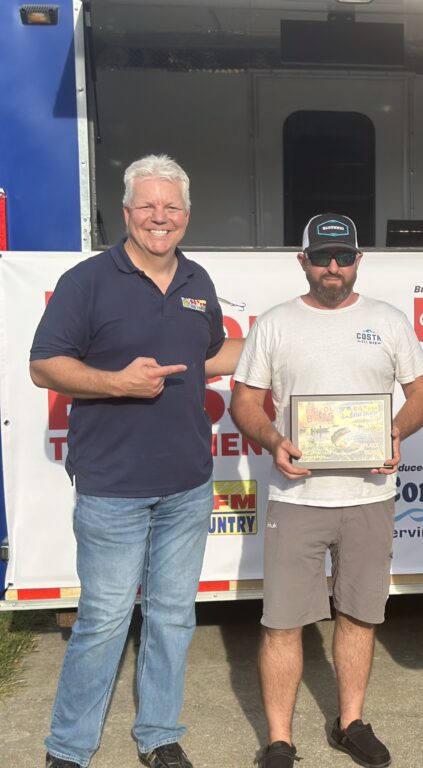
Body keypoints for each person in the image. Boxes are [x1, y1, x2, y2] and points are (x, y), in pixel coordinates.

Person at [30, 155, 243, 768]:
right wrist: (115, 383)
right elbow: (44, 365)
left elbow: (208, 355)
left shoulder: (198, 280)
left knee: (173, 617)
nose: (159, 217)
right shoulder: (87, 281)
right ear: (126, 212)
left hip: (187, 483)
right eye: (147, 205)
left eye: (171, 206)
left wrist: (281, 341)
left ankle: (158, 735)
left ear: (187, 215)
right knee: (103, 620)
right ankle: (69, 748)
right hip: (112, 486)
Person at [229, 213, 423, 768]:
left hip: (370, 496)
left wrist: (396, 430)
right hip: (297, 499)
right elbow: (244, 401)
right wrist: (273, 439)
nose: (334, 268)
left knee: (359, 615)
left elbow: (422, 392)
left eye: (344, 257)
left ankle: (350, 722)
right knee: (282, 623)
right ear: (304, 261)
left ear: (358, 260)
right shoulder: (275, 324)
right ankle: (279, 740)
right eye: (322, 258)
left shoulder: (388, 321)